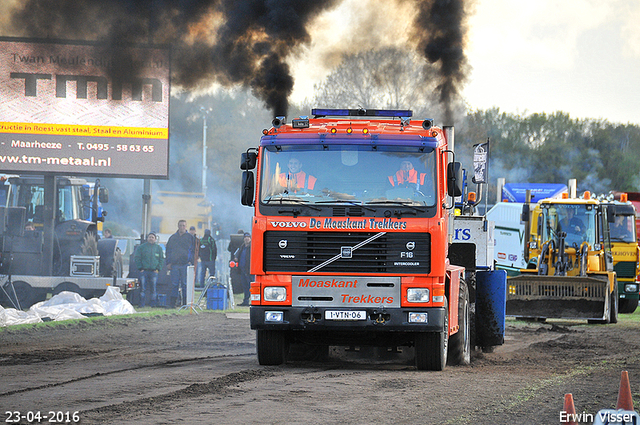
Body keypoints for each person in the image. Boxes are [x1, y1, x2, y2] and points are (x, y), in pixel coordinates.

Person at [165, 219, 196, 307]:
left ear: (186, 226)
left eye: (183, 225)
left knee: (185, 285)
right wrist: (168, 263)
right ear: (178, 226)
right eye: (180, 225)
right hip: (174, 265)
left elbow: (194, 250)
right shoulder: (172, 238)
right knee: (174, 284)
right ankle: (172, 304)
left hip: (186, 264)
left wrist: (192, 261)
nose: (182, 227)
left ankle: (185, 304)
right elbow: (168, 251)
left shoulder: (190, 237)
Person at [134, 232, 165, 308]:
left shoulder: (159, 248)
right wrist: (140, 268)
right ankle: (141, 305)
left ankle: (153, 305)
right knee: (142, 289)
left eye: (152, 237)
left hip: (154, 272)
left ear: (155, 239)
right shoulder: (141, 247)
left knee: (153, 289)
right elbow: (137, 258)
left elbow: (161, 259)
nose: (151, 239)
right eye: (150, 237)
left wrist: (158, 269)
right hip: (144, 271)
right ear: (147, 238)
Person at [234, 232, 253, 306]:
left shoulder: (252, 247)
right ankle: (245, 301)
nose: (246, 239)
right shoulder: (242, 247)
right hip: (242, 270)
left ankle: (253, 301)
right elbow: (237, 254)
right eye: (245, 237)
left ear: (250, 238)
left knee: (251, 287)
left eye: (248, 237)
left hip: (249, 270)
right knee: (245, 286)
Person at [227, 229, 245, 295]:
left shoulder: (233, 240)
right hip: (242, 261)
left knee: (233, 275)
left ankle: (234, 288)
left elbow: (228, 249)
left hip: (233, 260)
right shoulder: (244, 242)